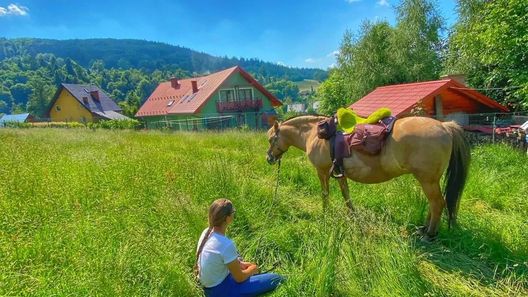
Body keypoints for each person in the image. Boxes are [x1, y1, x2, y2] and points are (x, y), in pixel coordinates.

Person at [195, 199, 283, 297]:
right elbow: (239, 278)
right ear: (227, 219)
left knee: (238, 258)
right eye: (233, 212)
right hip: (220, 291)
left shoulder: (206, 232)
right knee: (276, 278)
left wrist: (241, 264)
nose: (234, 214)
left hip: (208, 285)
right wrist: (253, 269)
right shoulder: (226, 245)